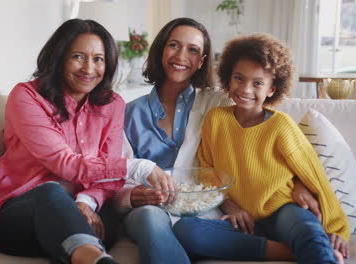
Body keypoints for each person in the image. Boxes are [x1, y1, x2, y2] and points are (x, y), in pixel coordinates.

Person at [114, 18, 323, 264]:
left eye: (193, 50)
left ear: (202, 61)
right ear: (160, 49)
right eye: (173, 45)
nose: (181, 55)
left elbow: (267, 139)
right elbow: (116, 178)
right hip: (151, 210)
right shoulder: (129, 113)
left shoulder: (219, 102)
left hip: (205, 209)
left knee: (191, 231)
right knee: (149, 217)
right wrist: (132, 196)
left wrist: (299, 182)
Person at [0, 19, 170, 264]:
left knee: (106, 216)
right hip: (23, 214)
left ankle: (84, 252)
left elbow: (108, 179)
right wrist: (137, 166)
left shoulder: (112, 104)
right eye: (78, 56)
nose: (89, 68)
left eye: (98, 59)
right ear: (58, 58)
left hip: (85, 213)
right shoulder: (27, 97)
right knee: (50, 192)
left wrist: (85, 201)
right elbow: (64, 163)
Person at [172, 33, 350, 263]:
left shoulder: (281, 125)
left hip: (284, 211)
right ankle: (288, 251)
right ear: (228, 78)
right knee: (185, 231)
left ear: (272, 89)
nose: (245, 89)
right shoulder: (215, 119)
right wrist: (231, 206)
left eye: (257, 83)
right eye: (239, 78)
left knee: (309, 231)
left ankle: (318, 252)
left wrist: (337, 227)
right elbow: (209, 172)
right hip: (243, 221)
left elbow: (315, 176)